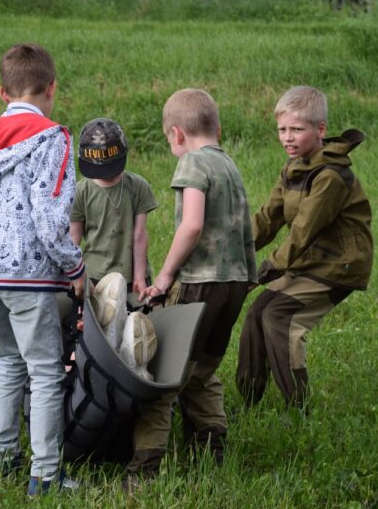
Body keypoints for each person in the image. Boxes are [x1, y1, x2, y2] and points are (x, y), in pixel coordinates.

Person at [0, 43, 85, 496]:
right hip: (27, 275)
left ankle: (3, 455)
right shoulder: (53, 137)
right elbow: (51, 220)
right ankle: (46, 475)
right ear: (52, 87)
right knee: (46, 372)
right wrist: (76, 265)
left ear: (1, 92)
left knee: (8, 361)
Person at [127, 88, 257, 488]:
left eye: (169, 141)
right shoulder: (228, 165)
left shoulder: (192, 163)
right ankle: (210, 448)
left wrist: (165, 276)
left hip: (201, 283)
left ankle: (144, 469)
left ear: (177, 134)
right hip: (235, 284)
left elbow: (192, 225)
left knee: (164, 376)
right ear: (217, 128)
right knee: (201, 371)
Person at [235, 85, 373, 410]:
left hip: (338, 266)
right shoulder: (294, 168)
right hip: (311, 261)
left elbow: (301, 232)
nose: (288, 137)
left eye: (297, 129)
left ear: (320, 129)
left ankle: (298, 410)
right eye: (282, 129)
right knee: (256, 313)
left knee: (279, 319)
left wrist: (262, 272)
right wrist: (232, 253)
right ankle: (249, 403)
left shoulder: (330, 177)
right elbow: (267, 219)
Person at [70, 118, 158, 295]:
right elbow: (73, 239)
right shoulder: (80, 192)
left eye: (112, 168)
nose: (107, 175)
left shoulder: (138, 187)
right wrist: (74, 275)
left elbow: (140, 234)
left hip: (132, 278)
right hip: (95, 278)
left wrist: (140, 276)